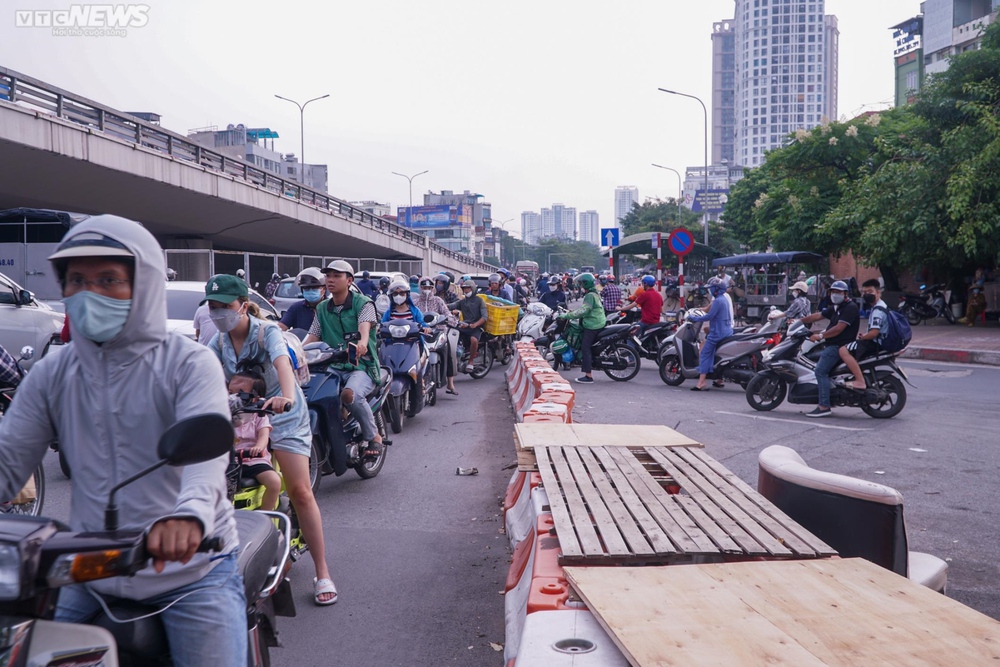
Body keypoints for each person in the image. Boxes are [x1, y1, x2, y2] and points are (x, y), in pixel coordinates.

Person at [0, 215, 247, 666]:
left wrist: (189, 519)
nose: (89, 293)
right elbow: (8, 459)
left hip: (192, 572)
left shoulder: (189, 363)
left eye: (108, 279)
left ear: (146, 285)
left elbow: (205, 460)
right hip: (88, 570)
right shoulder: (54, 372)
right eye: (77, 280)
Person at [205, 273, 337, 606]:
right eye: (212, 306)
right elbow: (199, 374)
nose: (218, 312)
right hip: (242, 419)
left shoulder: (267, 333)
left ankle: (323, 572)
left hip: (284, 414)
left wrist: (287, 397)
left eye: (225, 306)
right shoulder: (217, 344)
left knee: (301, 492)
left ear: (244, 306)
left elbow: (282, 364)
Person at [303, 260, 384, 459]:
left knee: (350, 395)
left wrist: (362, 344)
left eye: (336, 276)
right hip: (330, 366)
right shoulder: (322, 308)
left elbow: (364, 328)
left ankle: (374, 436)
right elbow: (312, 336)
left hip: (361, 366)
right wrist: (294, 351)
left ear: (349, 280)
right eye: (328, 276)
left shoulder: (363, 303)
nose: (330, 280)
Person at [798, 280, 860, 417]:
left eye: (838, 292)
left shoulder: (850, 307)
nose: (835, 294)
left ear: (845, 294)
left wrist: (820, 336)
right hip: (833, 344)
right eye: (833, 292)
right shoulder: (836, 307)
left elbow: (838, 329)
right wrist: (799, 321)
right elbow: (818, 315)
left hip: (839, 346)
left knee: (820, 371)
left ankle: (824, 406)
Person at [229, 369, 281, 512]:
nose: (233, 398)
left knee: (274, 482)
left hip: (254, 461)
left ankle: (266, 516)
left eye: (240, 394)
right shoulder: (225, 415)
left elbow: (264, 436)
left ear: (256, 398)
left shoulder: (259, 416)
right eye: (229, 392)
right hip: (230, 462)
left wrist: (258, 448)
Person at [558, 273, 606, 384]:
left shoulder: (590, 295)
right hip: (598, 321)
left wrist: (567, 316)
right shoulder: (594, 293)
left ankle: (588, 376)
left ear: (585, 283)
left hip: (593, 325)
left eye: (581, 283)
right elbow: (585, 308)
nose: (579, 285)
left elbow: (584, 310)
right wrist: (574, 312)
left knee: (585, 348)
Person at [840, 279, 887, 391]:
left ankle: (859, 380)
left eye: (870, 291)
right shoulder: (881, 305)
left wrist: (864, 337)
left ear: (878, 292)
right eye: (864, 292)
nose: (867, 295)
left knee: (843, 350)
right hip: (879, 340)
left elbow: (874, 333)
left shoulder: (877, 310)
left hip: (875, 343)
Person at [687, 281, 735, 391]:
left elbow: (709, 316)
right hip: (726, 330)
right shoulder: (723, 299)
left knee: (704, 353)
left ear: (716, 289)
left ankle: (701, 382)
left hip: (717, 333)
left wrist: (694, 318)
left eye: (711, 288)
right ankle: (717, 378)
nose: (709, 290)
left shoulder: (718, 301)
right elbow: (708, 310)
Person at [415, 276, 459, 394]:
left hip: (439, 331)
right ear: (420, 287)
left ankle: (450, 383)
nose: (427, 289)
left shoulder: (438, 301)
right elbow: (411, 316)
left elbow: (446, 313)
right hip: (422, 333)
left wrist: (450, 319)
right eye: (424, 287)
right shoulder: (415, 303)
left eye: (429, 287)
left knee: (448, 352)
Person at [452, 279, 488, 371]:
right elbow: (451, 305)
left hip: (476, 327)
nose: (466, 290)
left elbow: (484, 317)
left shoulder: (480, 301)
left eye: (468, 288)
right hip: (464, 326)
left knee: (474, 340)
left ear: (473, 289)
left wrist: (475, 325)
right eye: (464, 289)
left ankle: (471, 361)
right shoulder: (463, 302)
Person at [279, 267, 326, 332]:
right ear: (302, 290)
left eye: (314, 288)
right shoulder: (296, 308)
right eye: (306, 288)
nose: (310, 291)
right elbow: (281, 327)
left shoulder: (330, 307)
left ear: (324, 289)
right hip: (302, 341)